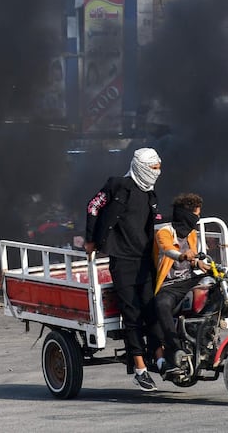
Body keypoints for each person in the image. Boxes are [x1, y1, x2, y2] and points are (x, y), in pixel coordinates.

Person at [84, 147, 162, 392]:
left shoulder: (151, 195)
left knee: (154, 310)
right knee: (132, 315)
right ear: (141, 166)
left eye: (159, 167)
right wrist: (91, 240)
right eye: (154, 167)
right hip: (122, 261)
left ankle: (160, 358)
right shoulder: (118, 185)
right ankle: (140, 369)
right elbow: (93, 207)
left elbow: (157, 224)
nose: (158, 172)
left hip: (145, 262)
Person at [152, 193, 210, 379]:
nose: (197, 218)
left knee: (220, 284)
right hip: (168, 285)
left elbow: (192, 257)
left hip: (189, 279)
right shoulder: (164, 232)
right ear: (186, 214)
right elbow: (167, 249)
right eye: (195, 214)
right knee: (161, 305)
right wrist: (182, 256)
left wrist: (197, 264)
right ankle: (175, 349)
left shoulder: (192, 234)